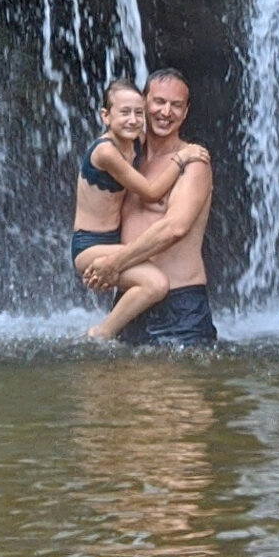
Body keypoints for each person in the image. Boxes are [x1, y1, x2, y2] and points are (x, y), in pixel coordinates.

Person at [72, 68, 217, 349]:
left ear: (185, 113)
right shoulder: (127, 157)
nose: (166, 112)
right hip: (132, 304)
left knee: (175, 393)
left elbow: (174, 228)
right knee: (124, 392)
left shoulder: (193, 161)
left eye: (176, 105)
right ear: (144, 103)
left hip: (179, 306)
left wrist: (114, 263)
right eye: (159, 102)